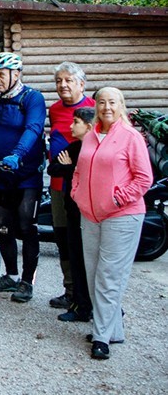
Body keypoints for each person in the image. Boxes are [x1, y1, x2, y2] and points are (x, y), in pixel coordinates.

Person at [72, 87, 152, 360]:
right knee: (94, 274)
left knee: (109, 278)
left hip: (123, 216)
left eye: (112, 102)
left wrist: (118, 200)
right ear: (96, 106)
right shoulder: (92, 136)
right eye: (102, 102)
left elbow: (144, 179)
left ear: (121, 105)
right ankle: (112, 329)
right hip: (90, 214)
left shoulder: (131, 137)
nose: (106, 107)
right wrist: (77, 193)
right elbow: (80, 169)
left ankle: (101, 337)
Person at [0, 52, 46, 303]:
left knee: (27, 227)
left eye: (1, 74)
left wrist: (17, 155)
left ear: (16, 74)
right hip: (0, 174)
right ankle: (10, 275)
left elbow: (34, 128)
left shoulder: (32, 98)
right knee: (3, 227)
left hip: (26, 175)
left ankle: (27, 282)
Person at [47, 62, 95, 310]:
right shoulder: (54, 110)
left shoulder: (93, 110)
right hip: (58, 185)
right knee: (63, 237)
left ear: (81, 84)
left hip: (85, 188)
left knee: (83, 240)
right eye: (58, 81)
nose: (63, 85)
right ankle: (70, 289)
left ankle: (87, 296)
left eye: (68, 80)